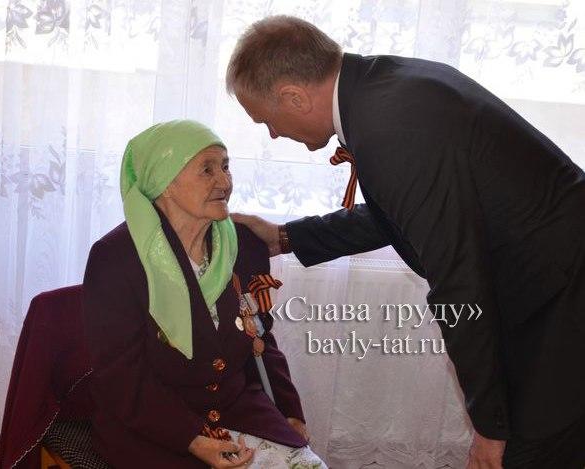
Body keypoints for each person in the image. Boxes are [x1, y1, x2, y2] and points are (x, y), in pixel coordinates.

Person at [226, 15, 585, 469]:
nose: (274, 134)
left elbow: (458, 281)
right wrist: (285, 237)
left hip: (561, 301)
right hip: (553, 285)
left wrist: (490, 430)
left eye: (267, 121)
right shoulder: (382, 88)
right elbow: (399, 216)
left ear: (294, 96)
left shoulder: (390, 127)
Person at [82, 120, 327, 468]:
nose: (224, 182)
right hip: (156, 429)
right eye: (207, 170)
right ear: (164, 180)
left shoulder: (243, 244)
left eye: (226, 167)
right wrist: (193, 440)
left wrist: (290, 412)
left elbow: (260, 337)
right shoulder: (116, 257)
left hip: (241, 413)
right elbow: (121, 377)